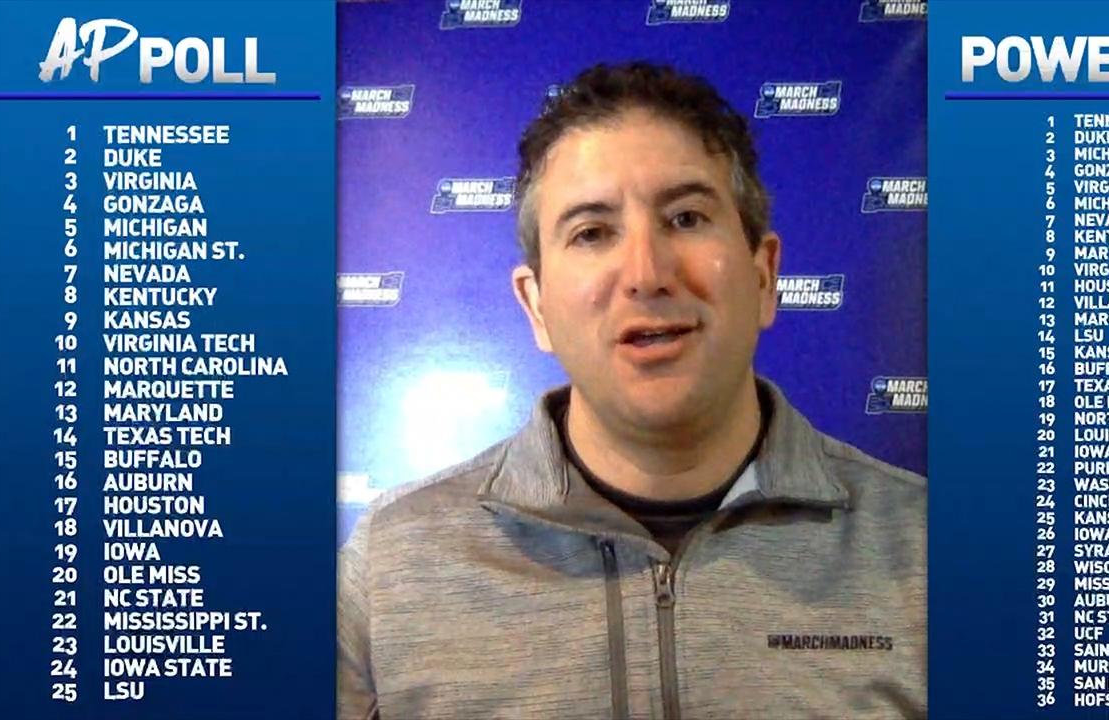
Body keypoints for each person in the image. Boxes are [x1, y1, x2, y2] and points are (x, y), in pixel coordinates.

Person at [338, 62, 926, 720]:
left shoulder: (930, 549)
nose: (646, 273)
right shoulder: (390, 563)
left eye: (686, 218)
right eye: (592, 232)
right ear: (536, 306)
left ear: (764, 279)